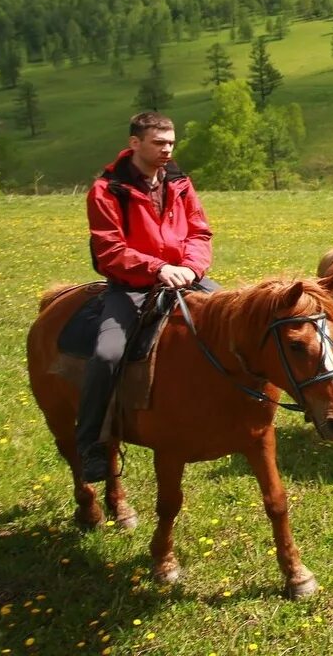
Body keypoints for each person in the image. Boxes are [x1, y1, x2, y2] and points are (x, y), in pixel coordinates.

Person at [79, 111, 215, 482]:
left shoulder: (180, 182)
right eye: (158, 142)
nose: (167, 150)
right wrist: (157, 269)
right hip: (132, 286)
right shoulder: (107, 190)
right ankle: (92, 443)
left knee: (236, 318)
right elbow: (109, 249)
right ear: (135, 143)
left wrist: (191, 267)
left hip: (185, 277)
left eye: (171, 142)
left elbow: (200, 233)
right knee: (107, 355)